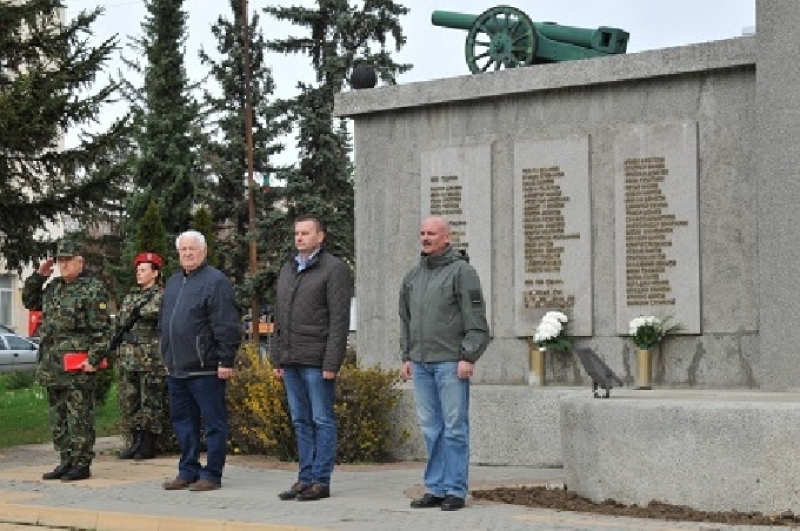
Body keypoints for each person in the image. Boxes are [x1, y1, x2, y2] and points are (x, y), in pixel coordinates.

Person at [399, 216, 491, 511]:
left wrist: (468, 356)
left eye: (432, 234)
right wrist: (406, 356)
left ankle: (455, 490)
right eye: (422, 233)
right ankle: (436, 488)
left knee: (454, 427)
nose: (425, 238)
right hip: (421, 364)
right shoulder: (413, 276)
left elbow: (476, 322)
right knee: (430, 428)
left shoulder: (462, 273)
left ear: (447, 238)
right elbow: (406, 320)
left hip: (451, 363)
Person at [272, 215, 352, 502]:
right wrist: (277, 358)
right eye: (296, 233)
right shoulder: (288, 269)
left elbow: (339, 320)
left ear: (320, 236)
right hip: (290, 359)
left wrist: (332, 363)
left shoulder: (334, 269)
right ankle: (304, 478)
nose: (299, 237)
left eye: (305, 233)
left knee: (322, 420)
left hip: (317, 360)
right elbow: (279, 317)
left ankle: (321, 480)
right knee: (300, 421)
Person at [22, 240, 111, 482]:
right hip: (53, 364)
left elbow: (102, 331)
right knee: (58, 415)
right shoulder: (54, 288)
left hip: (77, 365)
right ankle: (65, 459)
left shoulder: (92, 289)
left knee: (78, 415)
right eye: (60, 261)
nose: (63, 265)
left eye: (68, 260)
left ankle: (82, 463)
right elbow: (30, 301)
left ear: (80, 262)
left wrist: (93, 359)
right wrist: (39, 277)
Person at [159, 231, 241, 492]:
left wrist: (225, 360)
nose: (188, 253)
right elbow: (166, 323)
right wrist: (167, 356)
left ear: (204, 251)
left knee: (214, 423)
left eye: (192, 249)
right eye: (183, 250)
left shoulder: (216, 282)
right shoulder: (173, 282)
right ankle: (187, 470)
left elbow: (226, 324)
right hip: (177, 368)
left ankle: (212, 474)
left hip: (206, 368)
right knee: (183, 423)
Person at [114, 252, 167, 461]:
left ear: (155, 273)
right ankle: (135, 442)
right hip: (130, 357)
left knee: (150, 400)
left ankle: (148, 444)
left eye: (143, 270)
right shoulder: (131, 296)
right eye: (137, 270)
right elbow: (121, 319)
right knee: (131, 400)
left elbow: (150, 313)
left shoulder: (161, 295)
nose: (139, 274)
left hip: (150, 357)